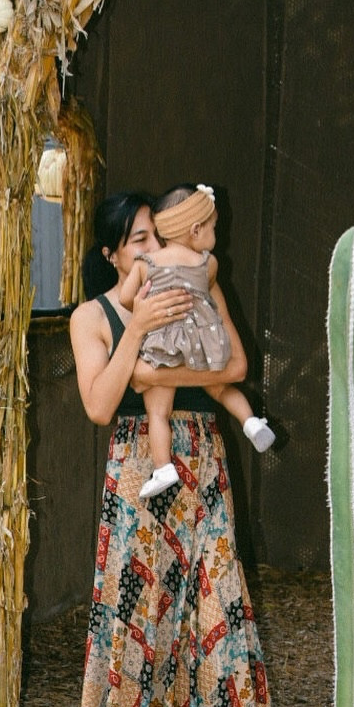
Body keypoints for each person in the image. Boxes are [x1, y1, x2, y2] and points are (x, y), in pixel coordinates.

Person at [70, 191, 283, 707]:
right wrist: (136, 328)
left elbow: (236, 363)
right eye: (138, 240)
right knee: (150, 614)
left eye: (153, 235)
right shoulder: (93, 317)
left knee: (218, 602)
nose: (152, 248)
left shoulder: (190, 280)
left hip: (203, 456)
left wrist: (156, 377)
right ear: (113, 255)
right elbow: (100, 405)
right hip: (142, 465)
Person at [117, 182, 274, 498]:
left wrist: (143, 306)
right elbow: (206, 291)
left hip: (165, 343)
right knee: (221, 388)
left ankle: (163, 469)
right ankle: (251, 422)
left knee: (158, 411)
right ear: (196, 229)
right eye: (214, 227)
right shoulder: (208, 264)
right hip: (203, 342)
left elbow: (124, 297)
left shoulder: (146, 264)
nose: (216, 234)